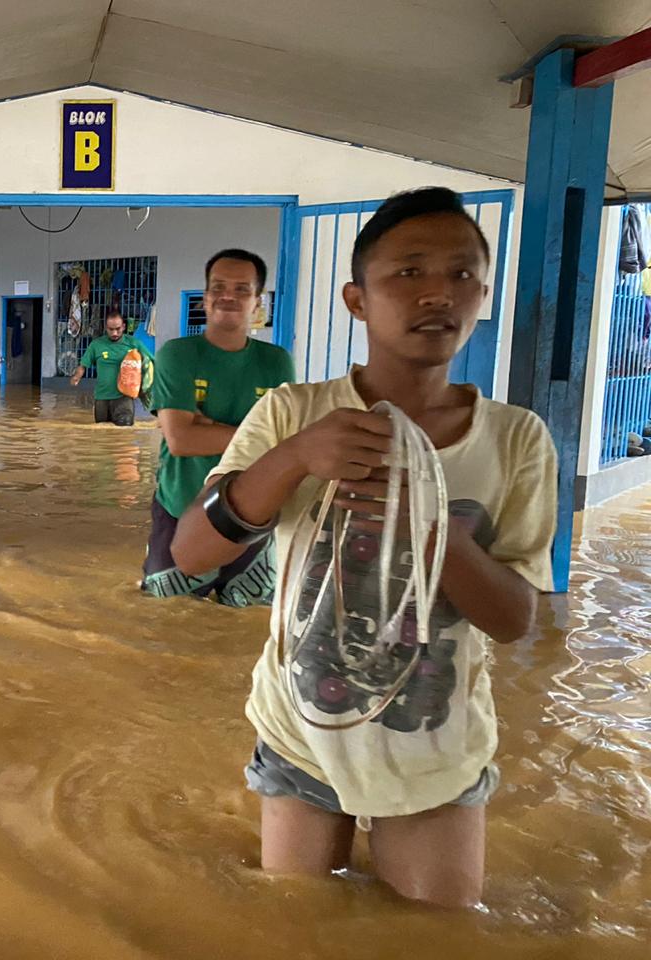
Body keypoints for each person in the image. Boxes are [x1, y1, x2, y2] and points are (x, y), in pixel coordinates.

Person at [171, 188, 558, 908]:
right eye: (408, 272)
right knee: (295, 923)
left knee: (439, 932)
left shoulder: (516, 439)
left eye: (463, 274)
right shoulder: (294, 412)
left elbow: (515, 620)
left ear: (484, 293)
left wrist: (428, 526)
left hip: (435, 744)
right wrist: (294, 457)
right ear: (356, 298)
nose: (439, 292)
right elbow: (192, 554)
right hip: (300, 733)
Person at [142, 249, 294, 604]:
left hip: (253, 512)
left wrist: (207, 427)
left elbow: (283, 444)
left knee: (244, 622)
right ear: (206, 297)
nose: (228, 296)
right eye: (218, 287)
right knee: (164, 619)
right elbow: (180, 440)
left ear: (258, 302)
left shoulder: (276, 362)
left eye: (242, 289)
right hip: (181, 506)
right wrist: (253, 435)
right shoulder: (177, 354)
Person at [70, 307, 153, 425]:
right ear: (105, 327)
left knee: (124, 430)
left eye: (118, 329)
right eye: (111, 329)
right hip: (101, 399)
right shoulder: (96, 345)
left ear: (124, 326)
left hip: (124, 398)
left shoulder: (133, 343)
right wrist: (77, 376)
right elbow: (83, 365)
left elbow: (151, 362)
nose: (114, 333)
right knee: (102, 434)